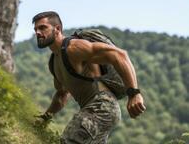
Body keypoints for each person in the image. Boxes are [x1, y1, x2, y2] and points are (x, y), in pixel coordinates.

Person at [32, 11, 146, 144]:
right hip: (93, 109)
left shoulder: (74, 48)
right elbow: (61, 95)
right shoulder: (53, 63)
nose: (38, 32)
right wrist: (45, 118)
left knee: (68, 141)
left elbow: (119, 55)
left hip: (102, 106)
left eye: (43, 27)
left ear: (57, 29)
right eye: (35, 29)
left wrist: (134, 93)